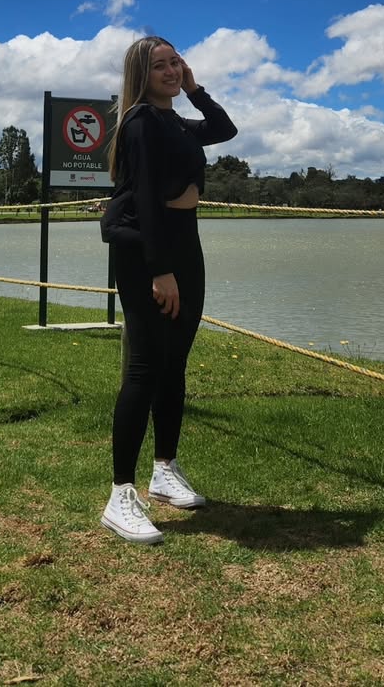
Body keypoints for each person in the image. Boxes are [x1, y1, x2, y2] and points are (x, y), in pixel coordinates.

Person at [99, 36, 237, 544]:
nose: (171, 71)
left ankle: (164, 469)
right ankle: (120, 495)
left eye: (175, 62)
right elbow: (146, 201)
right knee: (144, 367)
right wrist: (160, 271)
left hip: (184, 244)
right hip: (146, 250)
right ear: (142, 74)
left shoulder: (174, 120)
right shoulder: (140, 122)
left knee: (174, 363)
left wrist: (196, 90)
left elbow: (224, 129)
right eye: (160, 65)